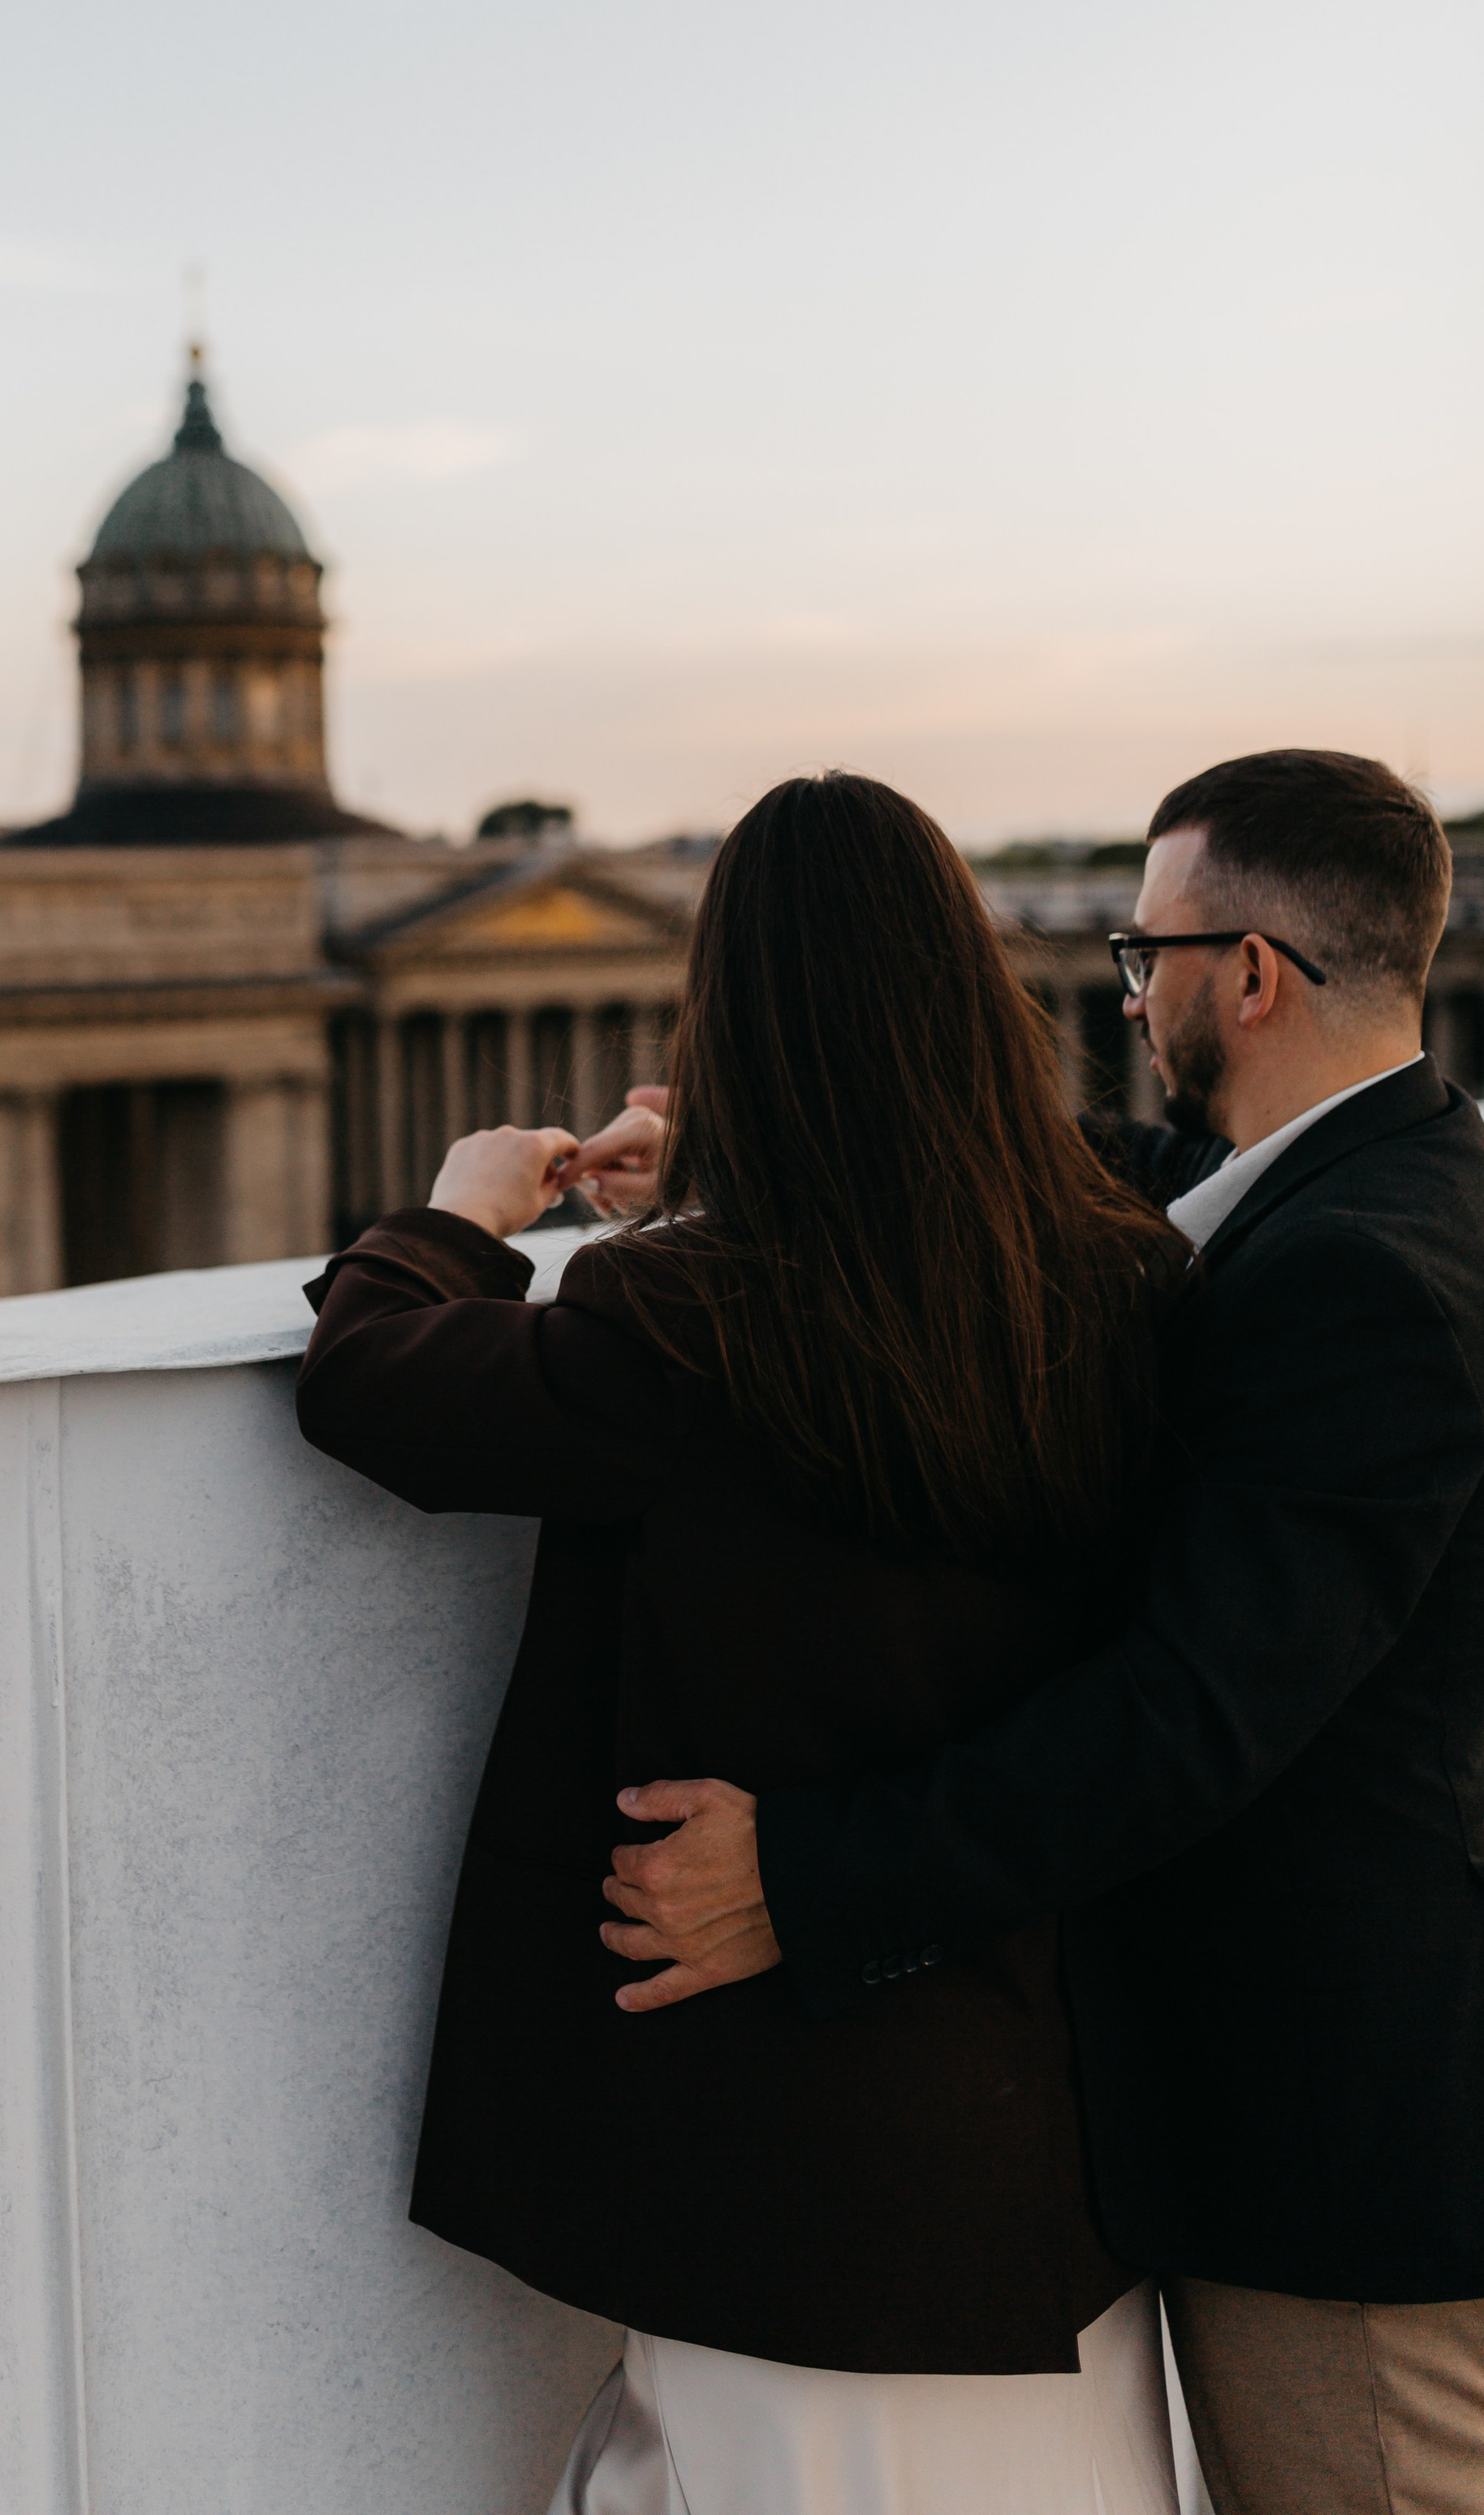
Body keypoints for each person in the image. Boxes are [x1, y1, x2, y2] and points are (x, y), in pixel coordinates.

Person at [576, 749, 1484, 2515]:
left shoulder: (1348, 1275)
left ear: (1248, 976)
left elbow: (1190, 1714)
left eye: (1144, 959)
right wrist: (788, 1140)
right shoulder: (1392, 1188)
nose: (1124, 994)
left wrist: (815, 1879)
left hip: (1339, 2160)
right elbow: (1133, 1171)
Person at [296, 770, 1186, 2515]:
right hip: (1034, 2133)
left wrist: (453, 1224)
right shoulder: (1128, 1277)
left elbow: (372, 1390)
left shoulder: (684, 1316)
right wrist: (709, 1192)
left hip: (769, 2146)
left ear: (734, 1022)